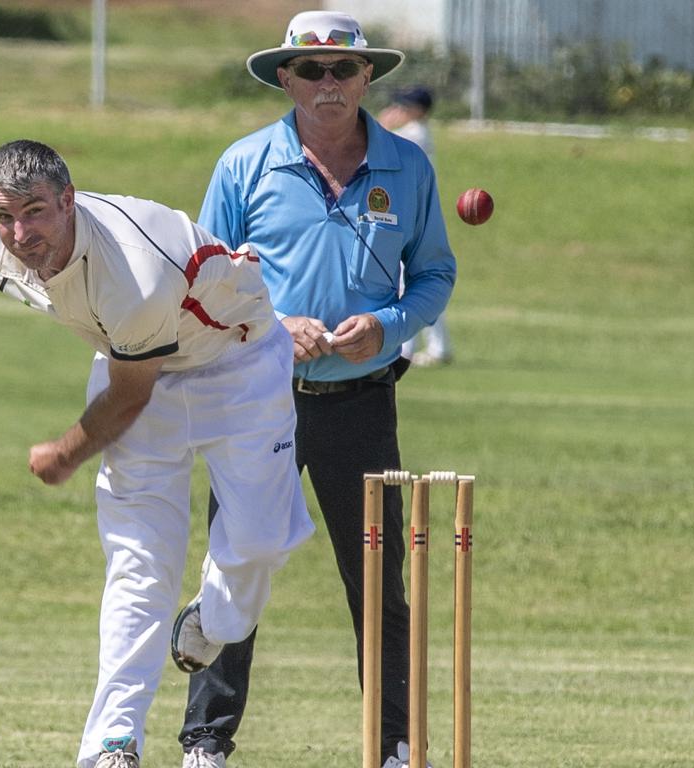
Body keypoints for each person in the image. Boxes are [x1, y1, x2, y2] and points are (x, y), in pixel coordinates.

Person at [0, 139, 315, 768]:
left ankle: (214, 619)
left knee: (259, 544)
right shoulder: (3, 237)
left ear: (69, 200)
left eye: (35, 212)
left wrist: (66, 453)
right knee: (139, 565)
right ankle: (112, 744)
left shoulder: (132, 272)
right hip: (138, 364)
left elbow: (126, 401)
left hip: (238, 366)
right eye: (5, 215)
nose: (20, 233)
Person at [177, 11, 456, 768]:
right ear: (286, 79)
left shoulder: (408, 165)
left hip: (363, 398)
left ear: (369, 77)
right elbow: (205, 276)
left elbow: (435, 273)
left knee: (378, 584)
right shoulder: (245, 164)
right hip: (259, 395)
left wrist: (391, 325)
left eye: (342, 70)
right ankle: (207, 742)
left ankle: (394, 744)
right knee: (238, 568)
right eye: (311, 71)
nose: (327, 84)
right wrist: (274, 323)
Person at [379, 85, 454, 367]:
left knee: (404, 283)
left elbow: (378, 145)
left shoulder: (416, 134)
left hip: (409, 213)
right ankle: (434, 347)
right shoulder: (416, 133)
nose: (402, 108)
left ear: (420, 109)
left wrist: (383, 124)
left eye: (407, 105)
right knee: (419, 282)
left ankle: (407, 349)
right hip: (412, 211)